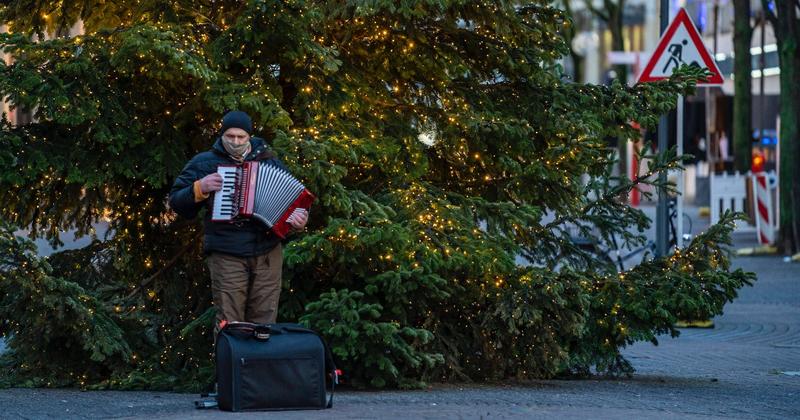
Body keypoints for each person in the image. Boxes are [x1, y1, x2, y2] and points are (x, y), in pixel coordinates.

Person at [169, 110, 308, 335]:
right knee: (230, 324)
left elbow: (293, 202)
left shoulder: (269, 160)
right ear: (221, 135)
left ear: (249, 137)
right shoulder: (204, 163)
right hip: (227, 252)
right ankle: (230, 369)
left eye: (240, 137)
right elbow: (176, 202)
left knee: (265, 324)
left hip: (267, 253)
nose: (235, 142)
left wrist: (299, 221)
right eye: (230, 136)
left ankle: (258, 370)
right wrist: (199, 188)